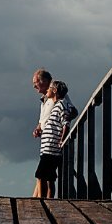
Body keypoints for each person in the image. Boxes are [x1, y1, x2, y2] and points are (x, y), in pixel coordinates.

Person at [32, 68, 78, 197]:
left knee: (42, 176)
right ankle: (37, 202)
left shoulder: (59, 97)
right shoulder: (45, 100)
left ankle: (41, 203)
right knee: (42, 177)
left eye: (36, 82)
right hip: (46, 143)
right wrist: (39, 128)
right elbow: (44, 120)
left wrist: (65, 122)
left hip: (53, 144)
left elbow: (73, 111)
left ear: (45, 81)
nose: (34, 86)